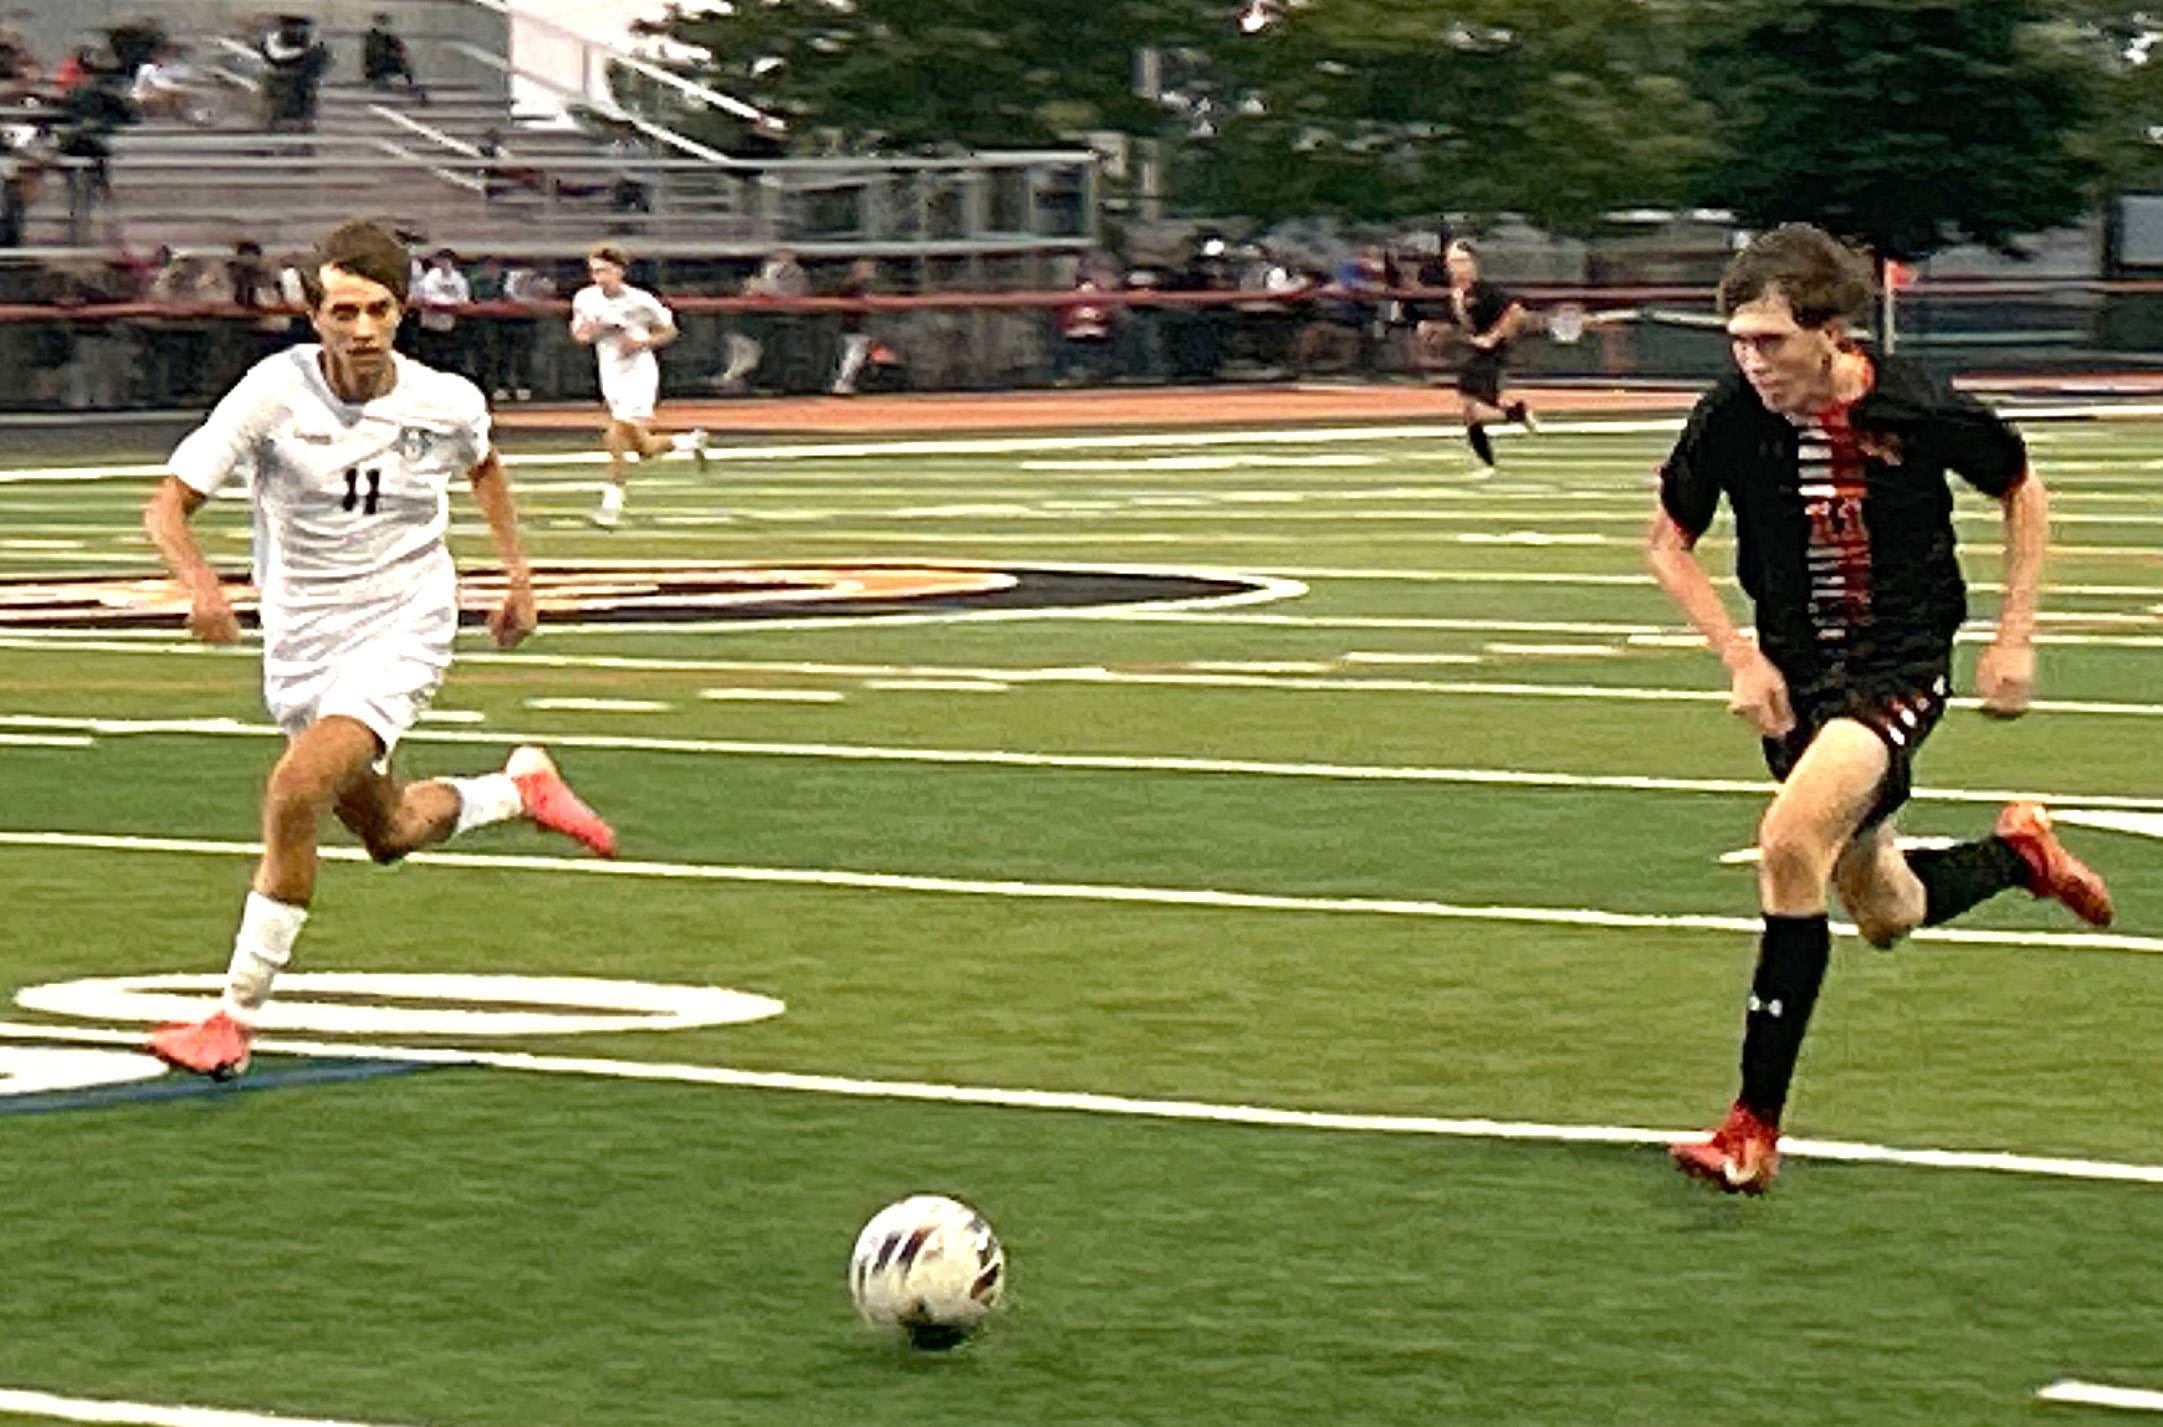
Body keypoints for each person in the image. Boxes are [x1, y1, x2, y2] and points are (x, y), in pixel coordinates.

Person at [1645, 222, 2114, 1195]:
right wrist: (1739, 655)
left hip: (1895, 665)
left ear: (1830, 332)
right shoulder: (1730, 413)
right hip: (1796, 677)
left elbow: (2021, 489)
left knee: (1787, 842)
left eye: (1769, 341)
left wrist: (2013, 632)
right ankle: (2017, 855)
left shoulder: (1913, 403)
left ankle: (1749, 1127)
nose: (1751, 360)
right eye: (1737, 340)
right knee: (1886, 908)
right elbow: (1666, 542)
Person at [139, 218, 617, 1079]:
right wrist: (199, 585)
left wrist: (518, 575)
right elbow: (167, 503)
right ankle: (519, 790)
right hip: (301, 638)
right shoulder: (270, 393)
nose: (360, 329)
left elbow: (483, 467)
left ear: (403, 312)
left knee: (293, 793)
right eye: (343, 310)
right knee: (389, 830)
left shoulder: (445, 398)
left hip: (402, 620)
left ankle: (233, 1018)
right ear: (314, 314)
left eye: (378, 310)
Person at [569, 241, 708, 528]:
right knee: (643, 447)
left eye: (604, 271)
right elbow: (579, 335)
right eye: (594, 271)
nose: (599, 277)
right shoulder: (585, 298)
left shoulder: (640, 300)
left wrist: (642, 342)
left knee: (615, 436)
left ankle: (611, 505)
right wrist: (592, 330)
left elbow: (669, 329)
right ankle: (689, 441)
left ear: (619, 271)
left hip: (638, 374)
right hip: (609, 374)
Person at [1418, 239, 1536, 468]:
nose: (1457, 267)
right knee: (1472, 410)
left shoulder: (1483, 291)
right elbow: (1457, 326)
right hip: (1477, 353)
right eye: (1452, 262)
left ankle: (1516, 414)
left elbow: (1516, 312)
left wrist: (1493, 336)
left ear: (1473, 264)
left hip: (1492, 354)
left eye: (1462, 261)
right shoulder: (1455, 295)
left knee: (1471, 404)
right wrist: (1433, 330)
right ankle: (1489, 459)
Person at [362, 12, 427, 102]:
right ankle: (380, 82)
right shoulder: (372, 37)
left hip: (387, 63)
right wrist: (395, 55)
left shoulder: (389, 37)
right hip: (375, 66)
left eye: (386, 23)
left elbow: (400, 47)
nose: (385, 26)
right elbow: (378, 53)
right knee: (397, 63)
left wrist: (402, 53)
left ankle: (413, 86)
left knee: (404, 64)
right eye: (383, 23)